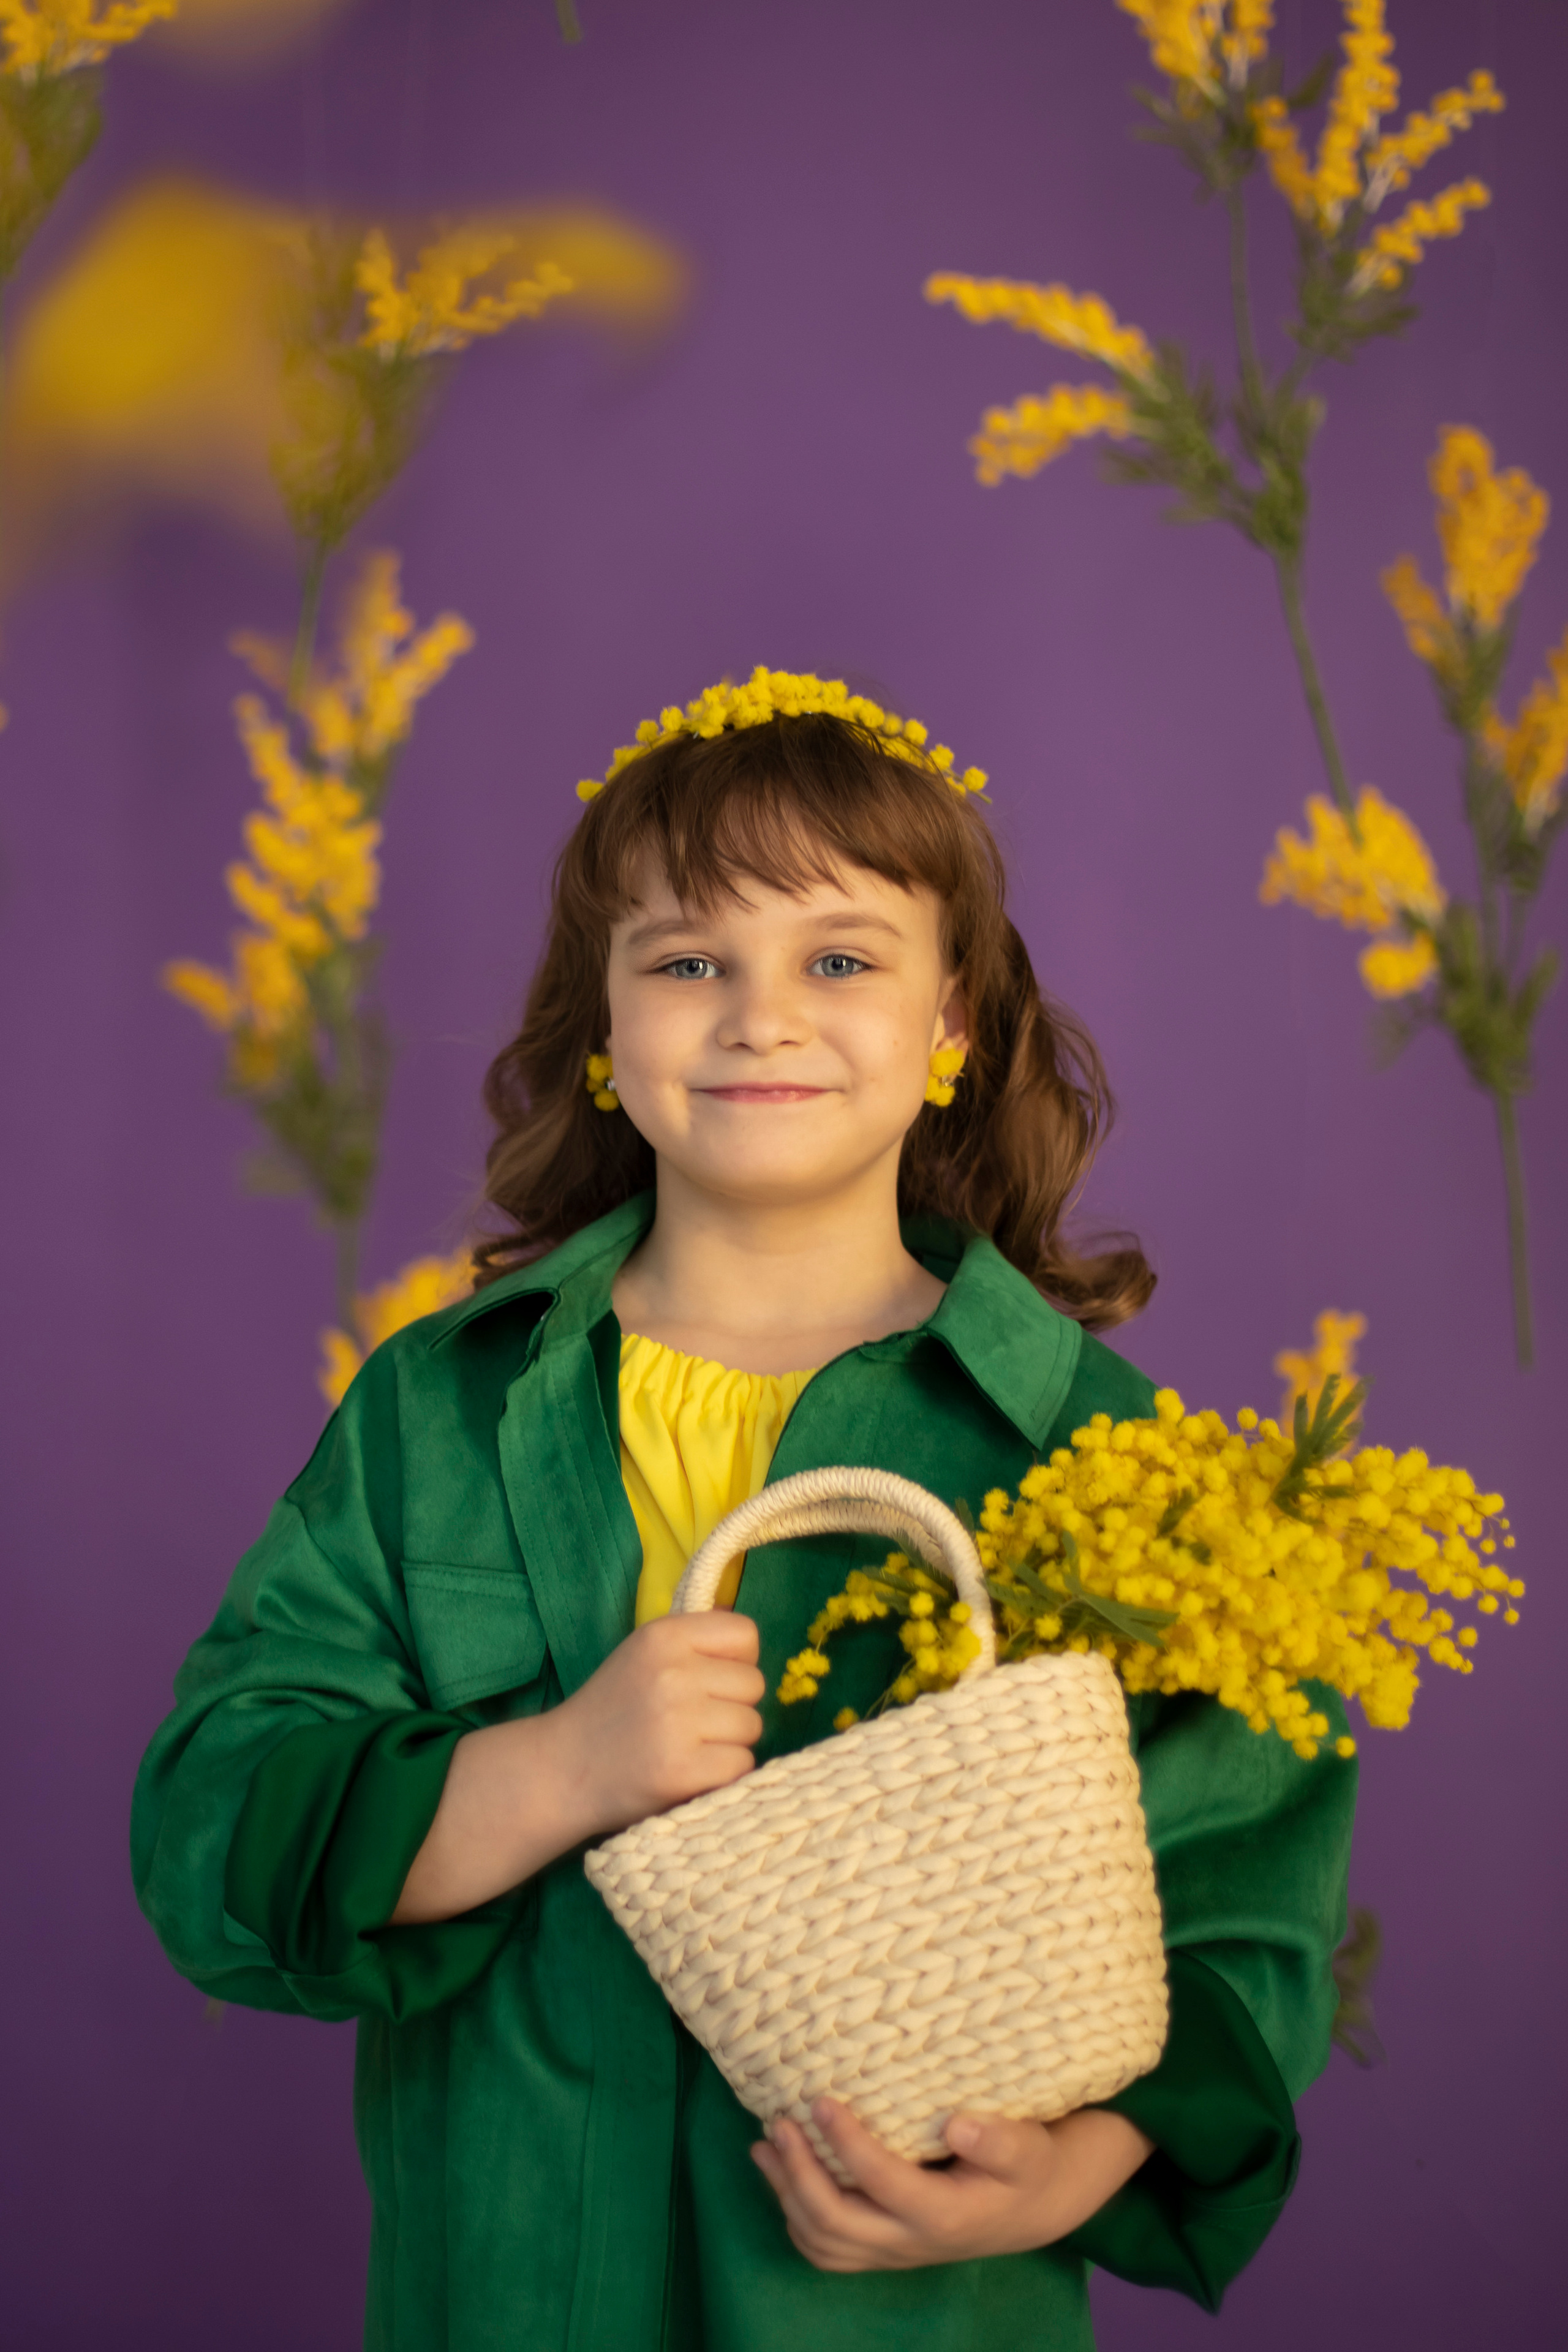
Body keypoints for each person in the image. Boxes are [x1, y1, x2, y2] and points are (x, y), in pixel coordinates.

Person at [133, 671, 1355, 2352]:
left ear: (953, 1025)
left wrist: (1061, 2178)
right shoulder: (439, 1412)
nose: (760, 1017)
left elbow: (1246, 1901)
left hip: (912, 2311)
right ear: (603, 1028)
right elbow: (212, 1825)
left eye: (840, 960)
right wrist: (556, 1769)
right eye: (688, 961)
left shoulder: (1096, 1448)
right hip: (505, 2301)